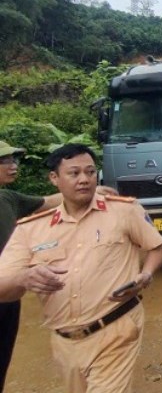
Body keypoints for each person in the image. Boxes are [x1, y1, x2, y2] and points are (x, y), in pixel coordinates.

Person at [0, 144, 162, 393]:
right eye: (74, 173)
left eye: (90, 172)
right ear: (54, 178)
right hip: (66, 340)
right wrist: (24, 278)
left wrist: (146, 274)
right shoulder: (30, 229)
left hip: (117, 328)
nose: (84, 180)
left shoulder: (123, 210)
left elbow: (157, 246)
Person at [0, 141, 117, 393]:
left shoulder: (8, 199)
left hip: (8, 293)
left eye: (13, 159)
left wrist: (91, 193)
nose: (13, 166)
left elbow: (47, 201)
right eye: (5, 161)